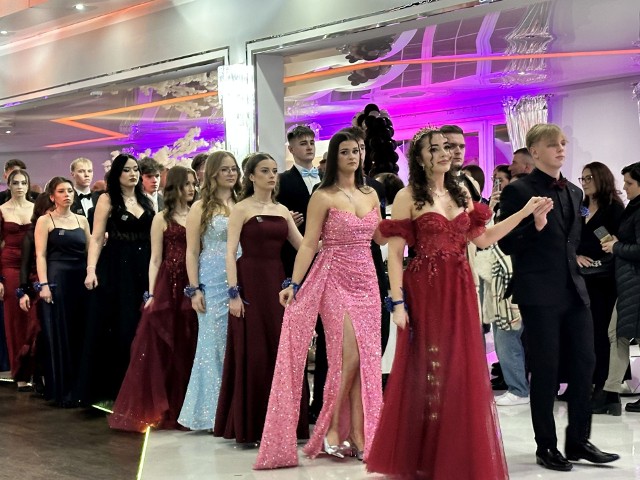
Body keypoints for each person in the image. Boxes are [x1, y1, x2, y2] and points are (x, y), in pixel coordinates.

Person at [255, 130, 385, 469]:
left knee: (366, 359)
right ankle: (332, 429)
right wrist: (294, 283)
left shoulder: (371, 193)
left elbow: (381, 237)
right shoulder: (323, 196)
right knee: (348, 357)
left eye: (356, 150)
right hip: (333, 278)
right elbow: (310, 243)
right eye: (345, 151)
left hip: (367, 280)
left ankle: (358, 435)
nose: (353, 156)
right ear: (334, 157)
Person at [498, 124, 619, 471]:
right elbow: (505, 243)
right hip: (538, 293)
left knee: (585, 364)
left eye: (563, 143)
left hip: (574, 291)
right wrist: (533, 227)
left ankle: (578, 441)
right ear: (535, 151)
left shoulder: (575, 193)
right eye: (553, 144)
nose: (561, 148)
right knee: (546, 370)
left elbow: (571, 239)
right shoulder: (519, 190)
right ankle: (546, 446)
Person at [213, 152, 309, 445]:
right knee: (254, 351)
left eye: (274, 170)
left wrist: (336, 238)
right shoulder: (241, 208)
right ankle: (252, 425)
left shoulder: (282, 210)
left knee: (281, 349)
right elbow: (230, 252)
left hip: (277, 282)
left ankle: (285, 423)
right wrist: (234, 293)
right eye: (265, 171)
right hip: (250, 282)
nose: (271, 176)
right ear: (251, 176)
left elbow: (304, 246)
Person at [109, 166, 198, 432]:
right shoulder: (161, 217)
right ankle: (168, 406)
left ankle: (192, 406)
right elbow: (155, 258)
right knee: (167, 345)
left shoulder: (198, 213)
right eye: (186, 184)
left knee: (191, 341)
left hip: (194, 281)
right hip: (169, 284)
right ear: (175, 187)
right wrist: (150, 293)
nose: (192, 189)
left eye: (194, 184)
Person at [84, 154, 155, 402]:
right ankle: (118, 386)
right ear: (117, 174)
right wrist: (91, 269)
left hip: (144, 264)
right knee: (122, 324)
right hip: (117, 267)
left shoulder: (147, 200)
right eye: (127, 170)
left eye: (136, 169)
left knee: (144, 323)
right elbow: (96, 237)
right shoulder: (107, 199)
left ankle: (143, 384)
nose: (133, 174)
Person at [179, 151, 241, 431]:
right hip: (212, 279)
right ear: (213, 173)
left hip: (240, 274)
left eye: (234, 168)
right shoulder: (200, 207)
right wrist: (194, 289)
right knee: (212, 344)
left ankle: (235, 408)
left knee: (236, 343)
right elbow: (192, 251)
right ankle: (210, 412)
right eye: (225, 169)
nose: (231, 174)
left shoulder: (243, 202)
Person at [34, 177, 91, 406]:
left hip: (80, 280)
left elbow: (90, 251)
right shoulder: (45, 221)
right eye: (61, 191)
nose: (67, 194)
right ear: (52, 196)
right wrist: (44, 285)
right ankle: (62, 390)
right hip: (57, 279)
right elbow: (40, 255)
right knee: (60, 333)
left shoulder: (82, 220)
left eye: (69, 191)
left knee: (79, 331)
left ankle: (80, 389)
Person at [575, 162, 624, 412]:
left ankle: (607, 390)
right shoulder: (581, 207)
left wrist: (597, 257)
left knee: (603, 335)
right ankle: (589, 385)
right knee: (586, 335)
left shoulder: (613, 208)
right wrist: (575, 256)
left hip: (605, 280)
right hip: (582, 279)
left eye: (589, 178)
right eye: (582, 178)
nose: (585, 183)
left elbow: (614, 244)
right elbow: (571, 239)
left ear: (601, 178)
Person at [599, 162, 640, 413]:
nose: (625, 187)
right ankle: (610, 392)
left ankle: (610, 393)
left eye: (629, 183)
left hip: (634, 282)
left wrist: (616, 247)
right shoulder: (633, 208)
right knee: (617, 334)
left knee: (617, 334)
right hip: (629, 282)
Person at [0, 169, 36, 390]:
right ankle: (20, 373)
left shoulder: (36, 208)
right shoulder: (2, 210)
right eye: (16, 183)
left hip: (33, 265)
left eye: (24, 182)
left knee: (35, 319)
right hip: (10, 266)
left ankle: (36, 371)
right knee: (15, 320)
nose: (20, 186)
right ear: (9, 185)